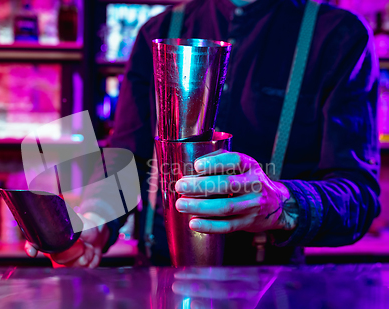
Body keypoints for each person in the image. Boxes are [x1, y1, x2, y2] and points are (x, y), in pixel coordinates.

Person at [26, 0, 380, 267]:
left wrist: (281, 203)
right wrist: (95, 221)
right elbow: (129, 159)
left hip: (274, 294)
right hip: (157, 281)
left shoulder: (337, 35)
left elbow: (359, 195)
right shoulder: (159, 29)